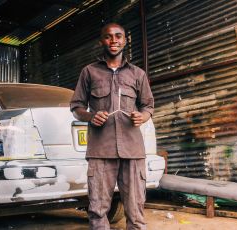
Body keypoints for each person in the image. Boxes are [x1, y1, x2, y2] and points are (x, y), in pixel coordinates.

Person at [70, 22, 154, 230]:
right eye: (108, 37)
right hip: (101, 151)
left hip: (133, 151)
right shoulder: (89, 72)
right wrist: (91, 117)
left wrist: (142, 117)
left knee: (135, 211)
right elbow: (76, 106)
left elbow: (148, 106)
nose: (114, 40)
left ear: (125, 40)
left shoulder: (137, 74)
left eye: (118, 36)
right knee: (98, 210)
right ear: (102, 41)